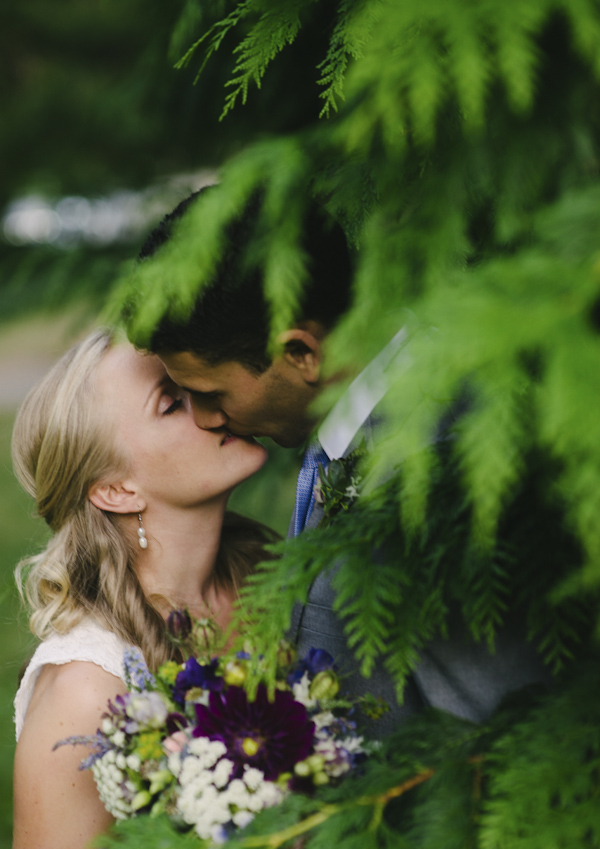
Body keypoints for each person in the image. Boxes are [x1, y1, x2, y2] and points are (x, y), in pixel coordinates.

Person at [129, 188, 551, 737]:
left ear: (302, 354)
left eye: (212, 393)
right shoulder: (350, 427)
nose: (207, 419)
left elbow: (514, 727)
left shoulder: (435, 475)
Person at [12, 328, 273, 849]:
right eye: (173, 401)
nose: (212, 401)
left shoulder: (273, 581)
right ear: (117, 489)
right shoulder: (86, 694)